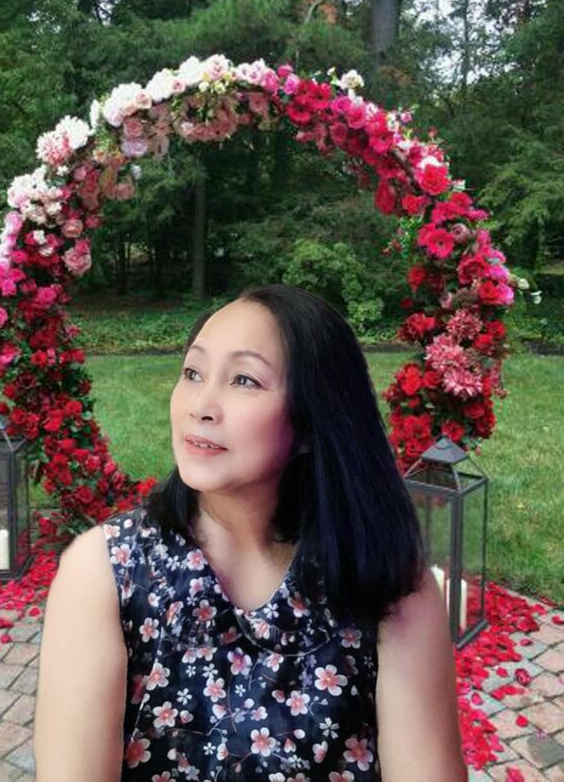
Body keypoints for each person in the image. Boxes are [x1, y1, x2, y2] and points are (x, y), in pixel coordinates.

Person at [34, 283, 467, 781]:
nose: (201, 404)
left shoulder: (384, 576)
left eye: (243, 380)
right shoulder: (107, 572)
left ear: (312, 421)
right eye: (193, 373)